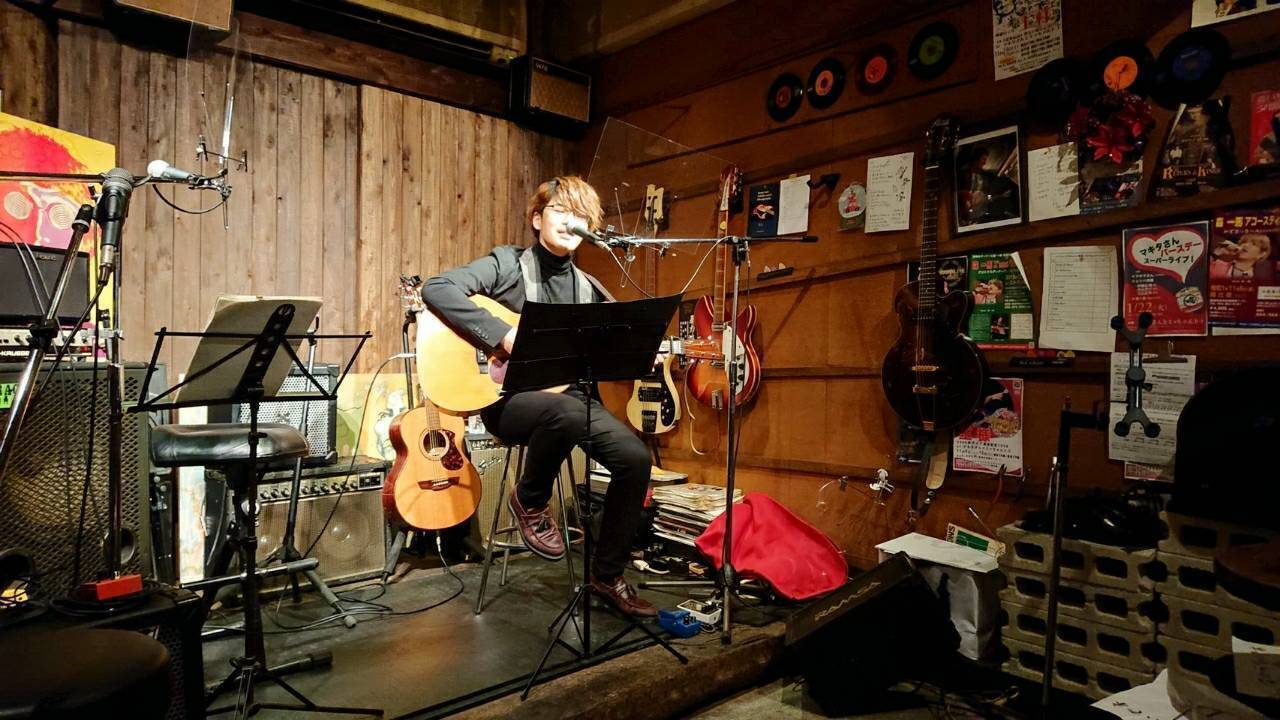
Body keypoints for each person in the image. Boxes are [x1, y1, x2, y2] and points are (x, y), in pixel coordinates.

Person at [421, 176, 657, 618]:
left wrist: (639, 353)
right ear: (537, 218)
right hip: (508, 402)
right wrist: (502, 335)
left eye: (581, 216)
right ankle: (530, 499)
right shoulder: (507, 265)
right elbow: (436, 288)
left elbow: (602, 356)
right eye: (561, 211)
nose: (571, 222)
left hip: (572, 401)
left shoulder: (589, 289)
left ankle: (607, 576)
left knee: (635, 460)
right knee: (564, 412)